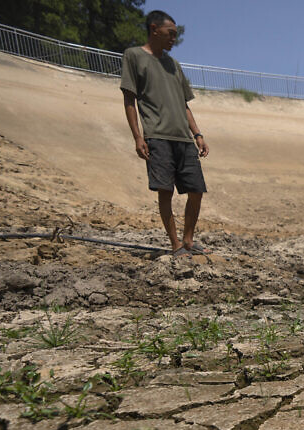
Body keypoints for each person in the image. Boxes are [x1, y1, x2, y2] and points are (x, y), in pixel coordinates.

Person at [121, 10, 211, 258]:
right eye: (170, 33)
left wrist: (198, 134)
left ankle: (189, 240)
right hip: (157, 136)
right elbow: (129, 98)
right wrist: (138, 137)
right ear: (154, 29)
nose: (174, 38)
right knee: (165, 191)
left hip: (183, 137)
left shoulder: (174, 65)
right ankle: (175, 245)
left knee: (196, 190)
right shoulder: (134, 56)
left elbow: (184, 104)